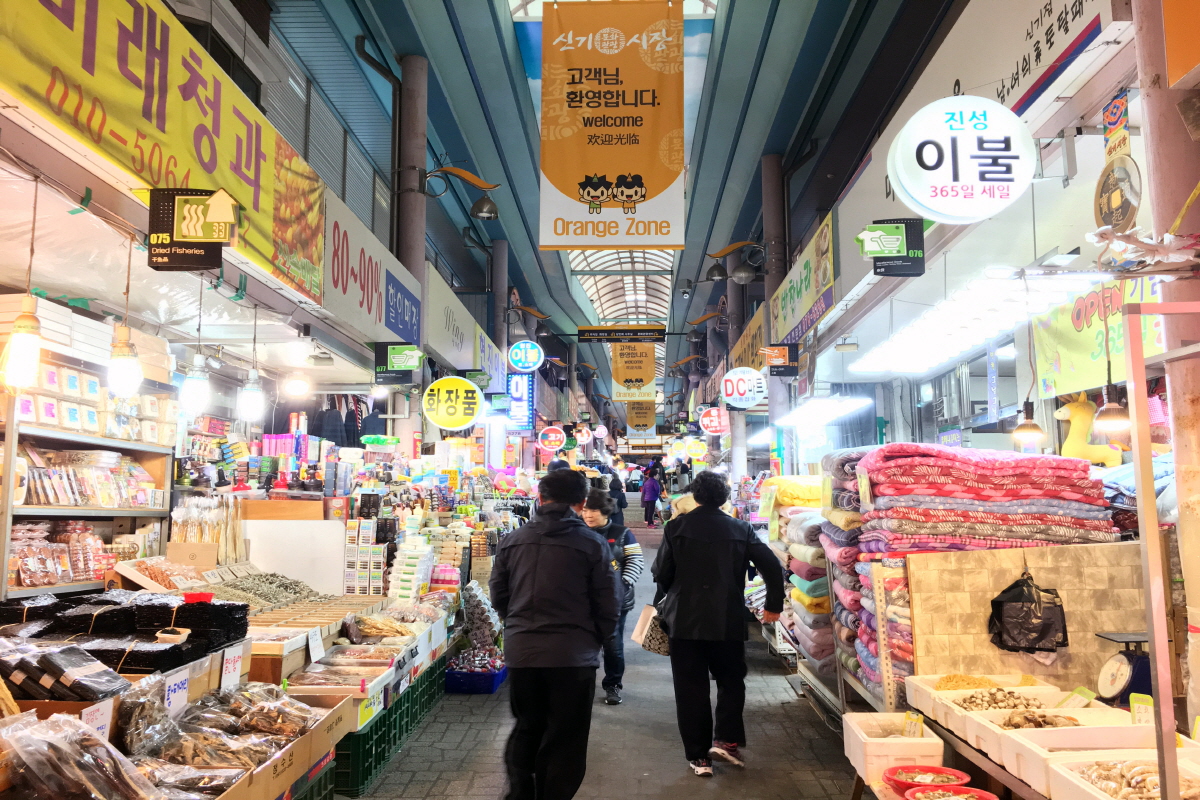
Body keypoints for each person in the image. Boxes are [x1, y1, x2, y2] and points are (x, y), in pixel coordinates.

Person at [490, 469, 620, 800]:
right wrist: (599, 640)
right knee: (566, 736)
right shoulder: (592, 543)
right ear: (581, 503)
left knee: (527, 726)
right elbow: (608, 604)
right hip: (573, 656)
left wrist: (518, 626)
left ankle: (520, 794)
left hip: (523, 652)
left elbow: (499, 596)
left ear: (539, 498)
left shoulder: (512, 541)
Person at [651, 470, 785, 777]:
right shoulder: (741, 528)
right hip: (727, 616)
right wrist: (773, 605)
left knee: (690, 687)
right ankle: (726, 740)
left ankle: (699, 757)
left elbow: (663, 573)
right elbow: (771, 566)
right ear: (724, 498)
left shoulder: (676, 527)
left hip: (684, 619)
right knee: (731, 680)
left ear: (695, 496)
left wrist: (673, 595)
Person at [580, 489, 643, 705]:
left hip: (616, 602)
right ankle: (582, 687)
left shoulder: (622, 533)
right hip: (582, 601)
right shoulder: (577, 532)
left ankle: (613, 685)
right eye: (585, 510)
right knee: (582, 645)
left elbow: (635, 561)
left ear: (605, 511)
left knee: (613, 646)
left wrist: (621, 587)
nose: (588, 515)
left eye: (593, 510)